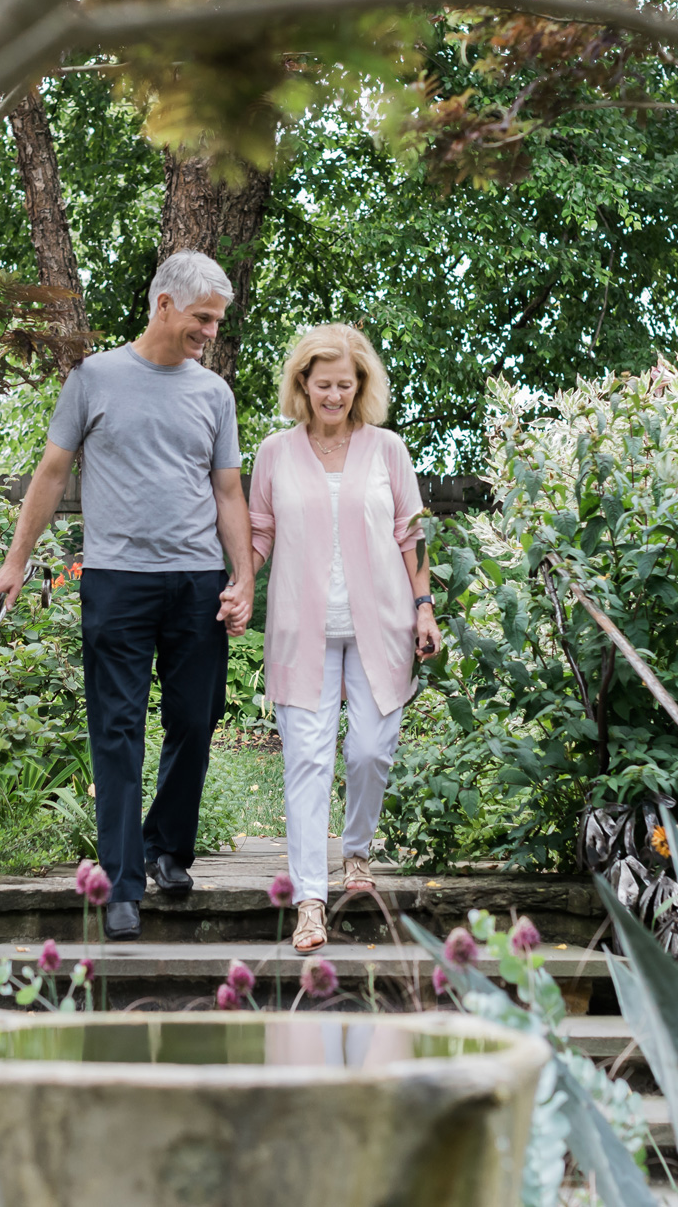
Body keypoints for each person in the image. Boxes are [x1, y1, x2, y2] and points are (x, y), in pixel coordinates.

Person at [0, 251, 254, 942]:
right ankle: (122, 882)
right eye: (202, 318)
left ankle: (168, 846)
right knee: (117, 729)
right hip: (116, 581)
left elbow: (228, 492)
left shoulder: (213, 394)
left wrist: (243, 575)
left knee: (196, 718)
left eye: (216, 320)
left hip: (195, 582)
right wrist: (15, 563)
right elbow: (50, 472)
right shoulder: (95, 377)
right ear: (164, 303)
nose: (210, 332)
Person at [246, 324, 439, 954]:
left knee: (369, 751)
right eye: (323, 384)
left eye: (345, 384)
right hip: (301, 630)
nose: (334, 395)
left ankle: (357, 851)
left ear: (361, 386)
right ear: (303, 383)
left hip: (380, 623)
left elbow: (412, 537)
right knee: (307, 759)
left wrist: (425, 608)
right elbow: (259, 531)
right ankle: (309, 899)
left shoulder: (388, 449)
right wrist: (240, 582)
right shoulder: (274, 452)